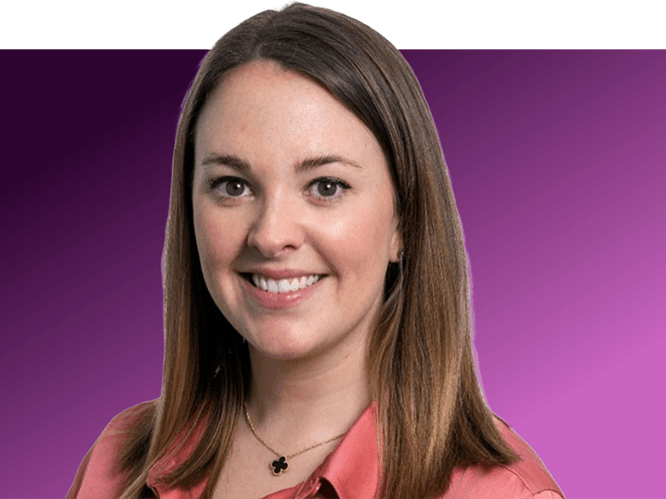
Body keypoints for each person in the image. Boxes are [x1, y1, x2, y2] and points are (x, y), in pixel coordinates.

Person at [66, 3, 564, 498]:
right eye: (233, 186)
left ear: (404, 223)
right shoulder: (117, 463)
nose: (269, 234)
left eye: (326, 186)